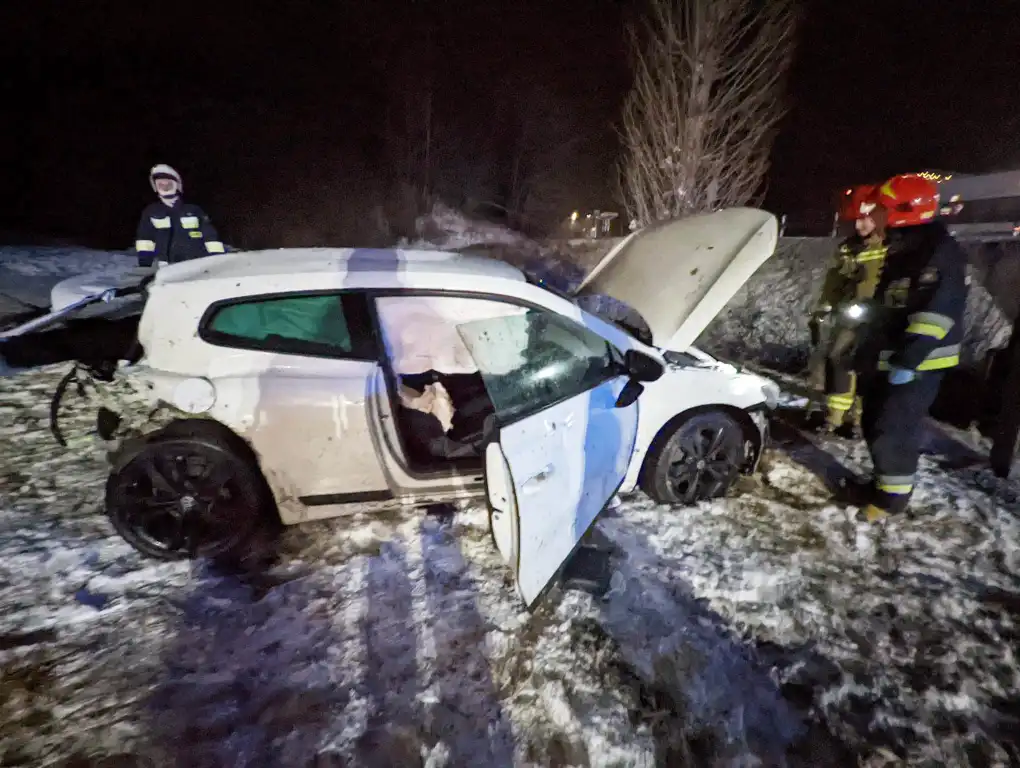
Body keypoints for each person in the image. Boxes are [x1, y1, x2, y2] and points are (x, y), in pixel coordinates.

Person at [852, 173, 968, 522]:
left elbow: (936, 313)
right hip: (893, 356)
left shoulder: (939, 253)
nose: (879, 217)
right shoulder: (906, 247)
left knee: (893, 429)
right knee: (875, 422)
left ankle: (891, 502)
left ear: (906, 212)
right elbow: (889, 305)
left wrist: (908, 359)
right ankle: (883, 485)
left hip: (919, 362)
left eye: (885, 210)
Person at [808, 185, 888, 436]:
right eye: (857, 220)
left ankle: (856, 421)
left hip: (874, 318)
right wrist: (822, 309)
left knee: (860, 367)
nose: (859, 226)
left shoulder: (887, 248)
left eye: (865, 220)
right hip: (850, 315)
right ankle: (835, 418)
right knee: (838, 362)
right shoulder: (848, 248)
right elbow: (835, 282)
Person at [134, 164, 225, 268]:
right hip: (166, 267)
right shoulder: (151, 212)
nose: (165, 187)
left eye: (168, 184)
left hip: (198, 265)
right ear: (155, 187)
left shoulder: (194, 210)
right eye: (161, 184)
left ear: (177, 185)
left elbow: (211, 238)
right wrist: (145, 264)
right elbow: (145, 240)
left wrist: (218, 260)